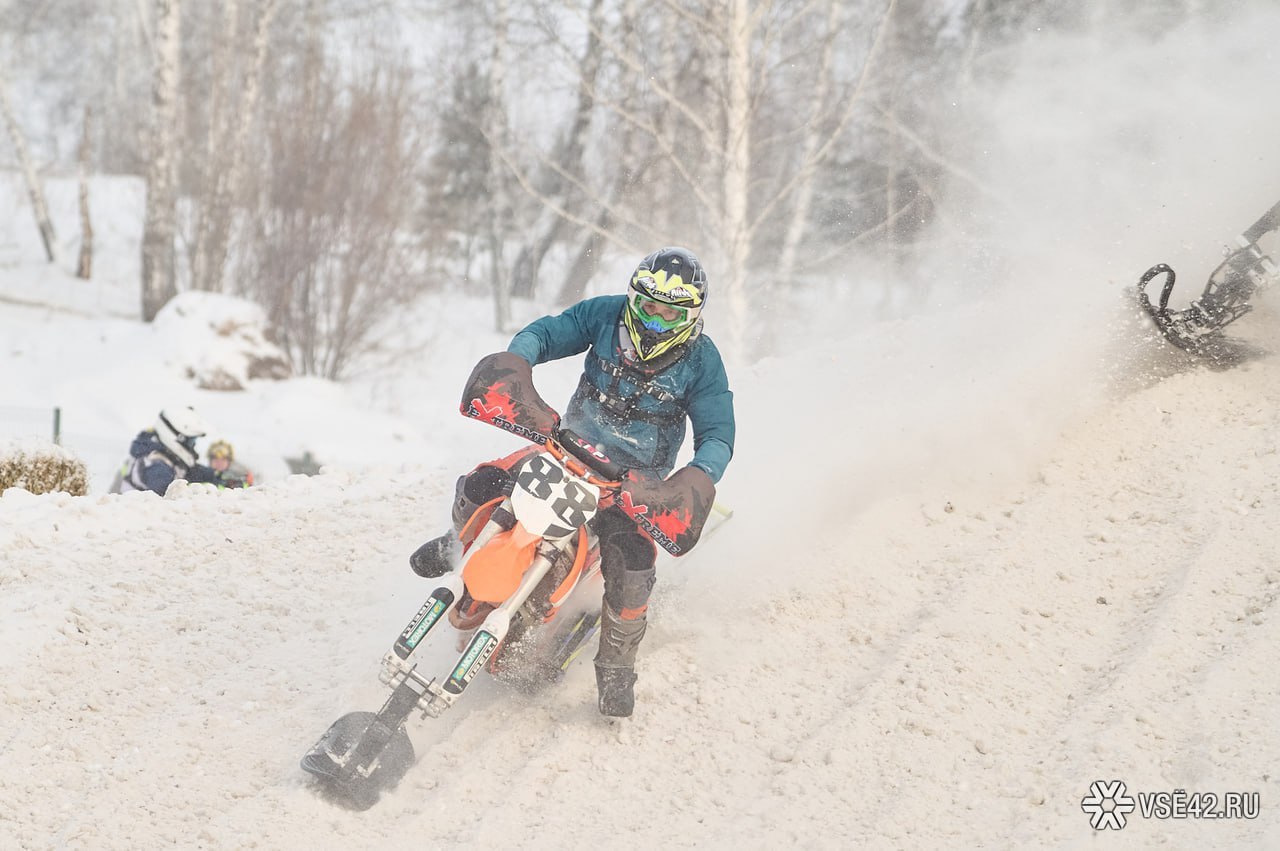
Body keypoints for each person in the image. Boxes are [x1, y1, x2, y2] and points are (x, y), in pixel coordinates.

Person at [411, 246, 735, 717]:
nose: (654, 322)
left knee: (634, 562)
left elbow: (718, 434)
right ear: (633, 299)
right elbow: (544, 333)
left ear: (690, 316)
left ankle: (617, 670)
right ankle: (454, 543)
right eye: (647, 307)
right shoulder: (603, 315)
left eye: (669, 314)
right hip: (565, 449)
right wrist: (517, 365)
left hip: (632, 484)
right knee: (486, 482)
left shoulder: (704, 362)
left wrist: (698, 476)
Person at [113, 407, 221, 495]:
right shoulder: (157, 467)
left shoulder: (168, 454)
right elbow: (175, 497)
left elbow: (191, 472)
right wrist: (206, 490)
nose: (193, 445)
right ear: (177, 437)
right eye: (191, 440)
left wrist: (218, 478)